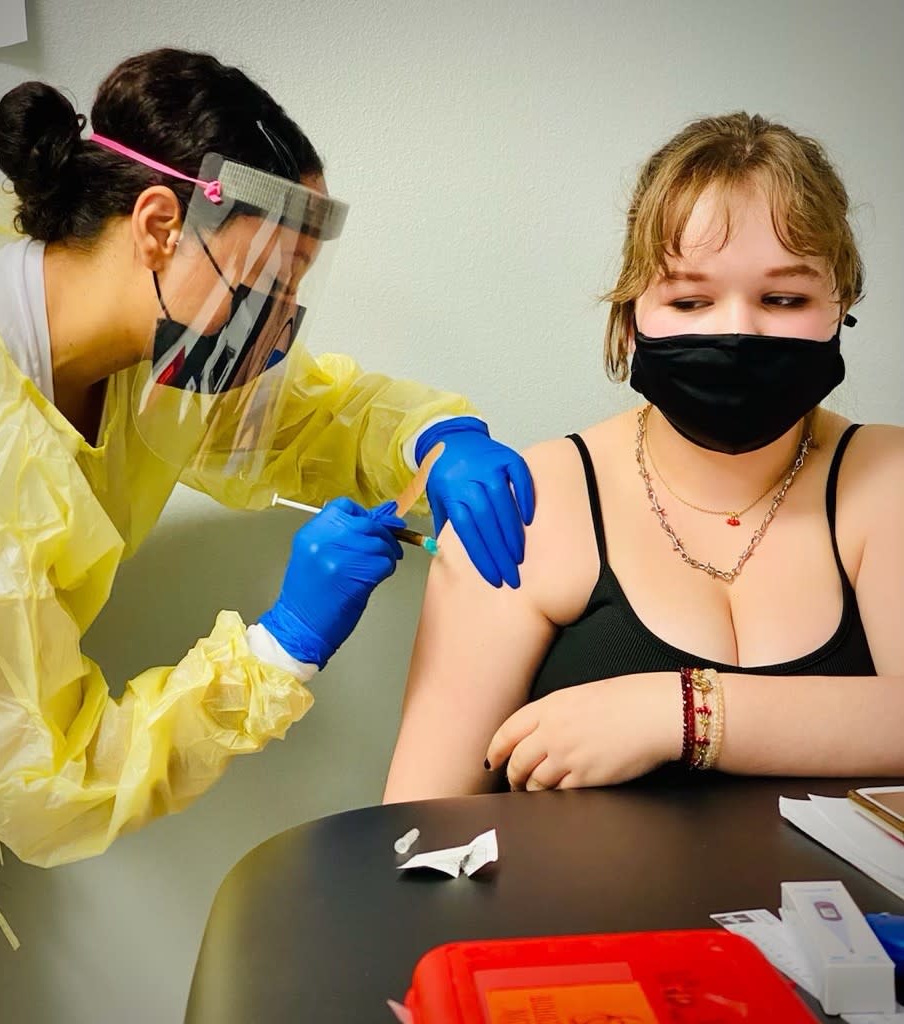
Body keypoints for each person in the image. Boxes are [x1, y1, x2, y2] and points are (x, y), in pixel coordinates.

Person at [0, 47, 535, 924]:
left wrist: (437, 437)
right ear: (158, 224)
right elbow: (49, 786)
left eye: (297, 284)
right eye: (267, 278)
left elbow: (304, 417)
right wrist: (281, 645)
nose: (280, 324)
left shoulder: (132, 345)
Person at [384, 112, 904, 802]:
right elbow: (419, 824)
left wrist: (680, 714)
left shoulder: (885, 477)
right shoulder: (533, 503)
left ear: (842, 306)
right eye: (690, 299)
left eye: (784, 298)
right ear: (631, 314)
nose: (737, 331)